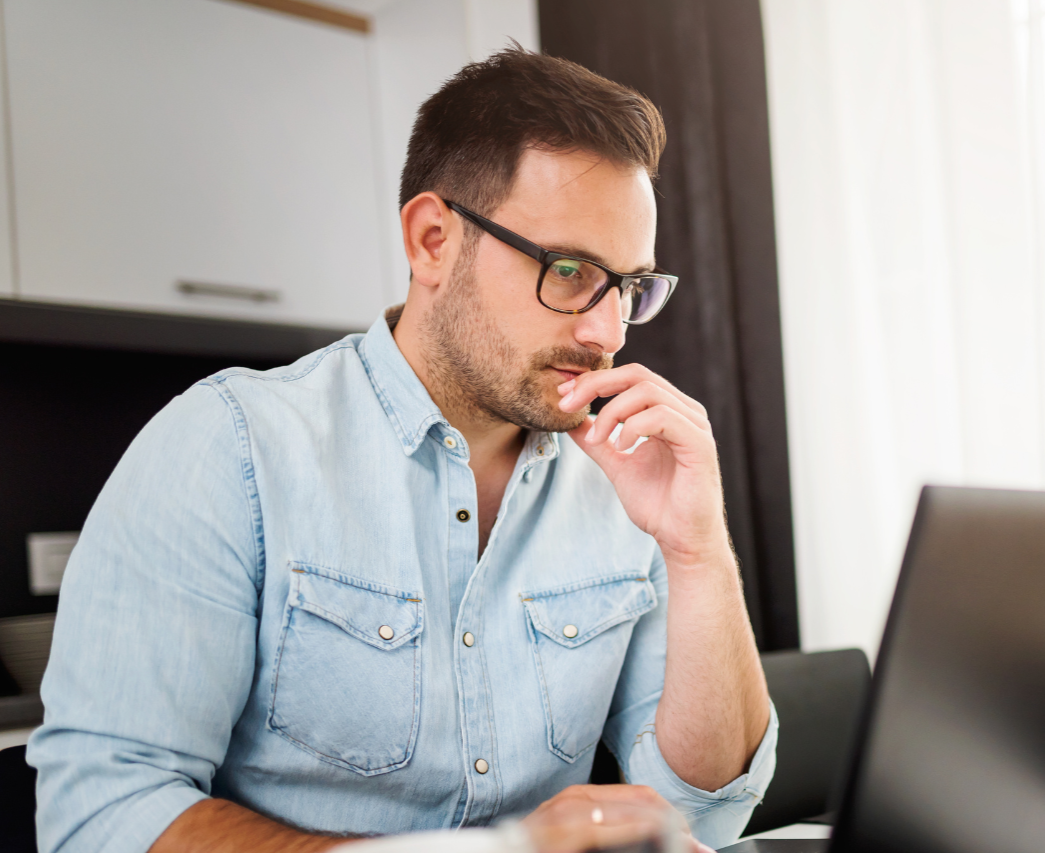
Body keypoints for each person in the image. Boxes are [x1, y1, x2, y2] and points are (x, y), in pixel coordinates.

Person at [28, 46, 776, 853]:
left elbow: (703, 813)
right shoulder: (229, 447)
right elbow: (100, 815)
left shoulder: (622, 481)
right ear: (431, 241)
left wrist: (697, 550)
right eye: (567, 271)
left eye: (629, 287)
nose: (606, 331)